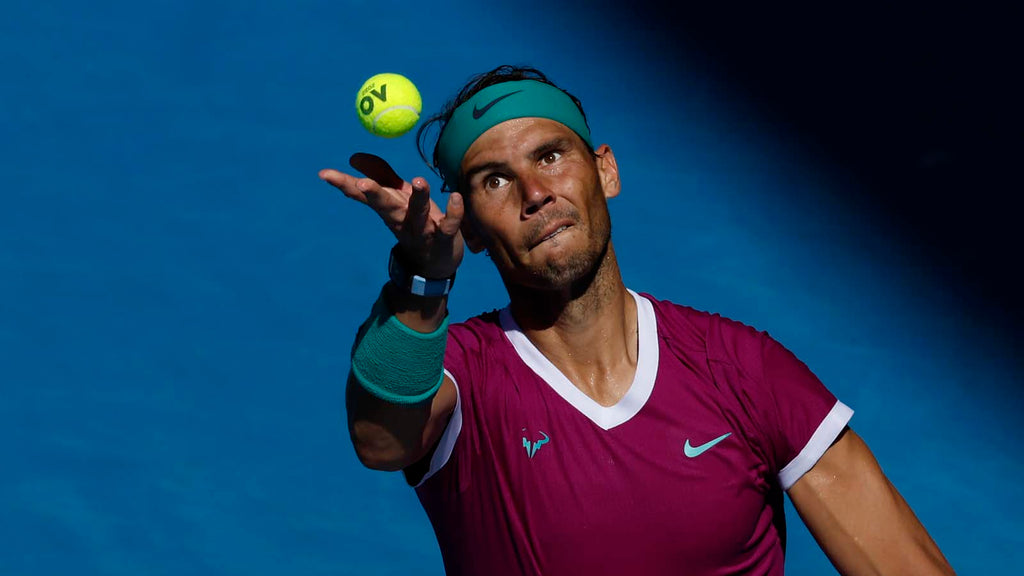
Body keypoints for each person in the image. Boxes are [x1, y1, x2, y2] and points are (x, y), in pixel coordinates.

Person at [320, 65, 955, 576]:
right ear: (477, 231)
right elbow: (381, 441)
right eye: (494, 180)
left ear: (605, 170)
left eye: (550, 156)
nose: (535, 193)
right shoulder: (461, 373)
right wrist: (423, 279)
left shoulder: (743, 371)